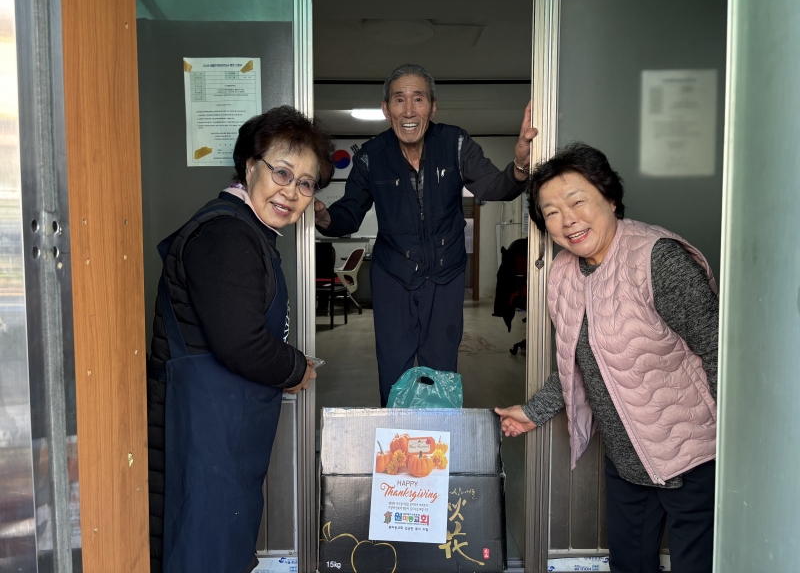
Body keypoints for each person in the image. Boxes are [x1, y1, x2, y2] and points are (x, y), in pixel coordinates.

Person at [495, 143, 718, 573]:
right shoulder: (564, 272)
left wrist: (741, 446)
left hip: (691, 455)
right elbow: (578, 362)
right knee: (629, 564)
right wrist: (533, 411)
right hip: (626, 459)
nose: (567, 220)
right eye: (551, 212)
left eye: (577, 201)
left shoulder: (656, 259)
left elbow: (717, 351)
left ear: (611, 198)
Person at [146, 106, 334, 573]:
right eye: (281, 173)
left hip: (223, 436)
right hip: (205, 438)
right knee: (203, 552)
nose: (290, 192)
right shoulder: (227, 235)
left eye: (305, 183)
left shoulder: (248, 231)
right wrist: (295, 368)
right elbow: (241, 343)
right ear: (250, 167)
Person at [314, 63, 538, 406]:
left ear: (432, 107)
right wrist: (323, 215)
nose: (408, 110)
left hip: (445, 274)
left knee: (441, 371)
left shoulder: (455, 143)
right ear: (386, 108)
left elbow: (495, 186)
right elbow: (349, 214)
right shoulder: (371, 157)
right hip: (392, 274)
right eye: (399, 99)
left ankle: (437, 439)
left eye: (418, 99)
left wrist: (520, 166)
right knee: (394, 371)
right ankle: (398, 439)